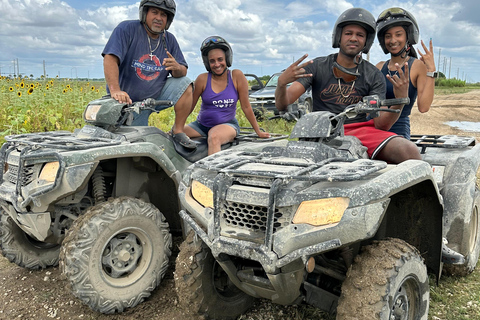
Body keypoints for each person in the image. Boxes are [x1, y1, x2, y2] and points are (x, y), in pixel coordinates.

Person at [275, 7, 421, 164]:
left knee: (409, 151)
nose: (353, 38)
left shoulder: (373, 75)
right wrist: (281, 84)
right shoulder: (317, 66)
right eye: (348, 33)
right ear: (338, 37)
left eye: (360, 35)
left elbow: (381, 124)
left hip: (360, 130)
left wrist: (400, 99)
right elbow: (283, 103)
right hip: (321, 130)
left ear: (366, 41)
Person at [102, 0, 195, 149]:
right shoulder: (126, 29)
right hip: (127, 105)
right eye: (155, 12)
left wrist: (177, 67)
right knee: (134, 149)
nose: (159, 18)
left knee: (185, 83)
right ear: (144, 13)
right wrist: (115, 90)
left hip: (154, 99)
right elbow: (110, 58)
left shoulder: (169, 39)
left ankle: (177, 131)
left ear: (168, 20)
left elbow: (182, 71)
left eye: (164, 15)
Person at [184, 36, 270, 155]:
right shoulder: (202, 79)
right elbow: (190, 106)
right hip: (201, 125)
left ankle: (211, 173)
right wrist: (177, 128)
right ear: (207, 63)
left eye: (220, 59)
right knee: (171, 135)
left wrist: (258, 131)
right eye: (212, 61)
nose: (217, 64)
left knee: (214, 137)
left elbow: (246, 106)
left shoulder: (236, 77)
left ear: (227, 59)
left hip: (227, 125)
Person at [375, 7, 436, 140]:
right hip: (374, 128)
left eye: (398, 34)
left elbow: (424, 107)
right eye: (388, 36)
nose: (393, 40)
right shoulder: (379, 67)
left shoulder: (416, 66)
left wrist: (431, 71)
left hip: (398, 132)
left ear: (408, 36)